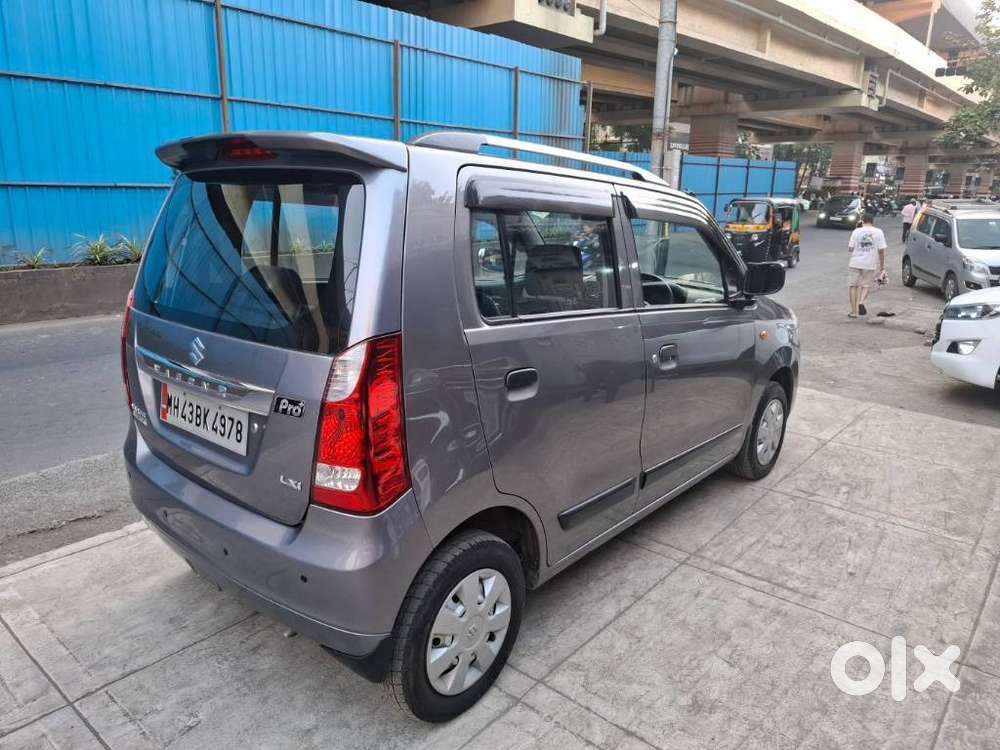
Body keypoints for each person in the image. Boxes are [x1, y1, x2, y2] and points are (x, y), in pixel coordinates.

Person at [847, 214, 887, 318]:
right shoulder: (879, 232)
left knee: (853, 286)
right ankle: (861, 302)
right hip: (870, 263)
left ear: (862, 221)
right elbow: (881, 251)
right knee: (865, 285)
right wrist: (882, 267)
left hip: (855, 262)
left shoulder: (856, 231)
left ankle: (854, 312)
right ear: (872, 221)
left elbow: (850, 248)